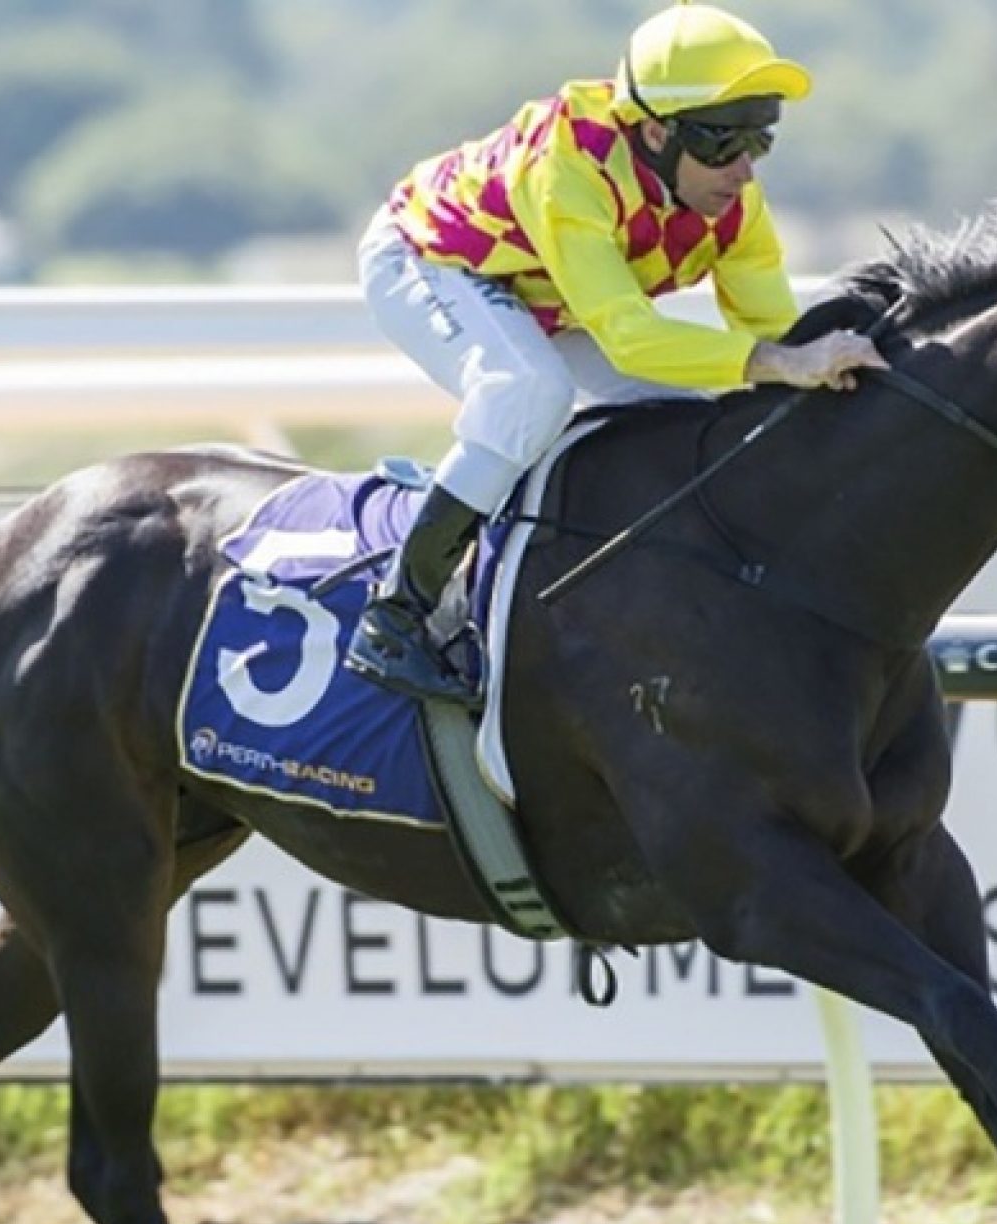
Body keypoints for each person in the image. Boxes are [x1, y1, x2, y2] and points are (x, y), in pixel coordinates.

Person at [344, 1, 888, 705]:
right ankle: (393, 616)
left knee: (680, 417)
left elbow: (778, 336)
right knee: (527, 393)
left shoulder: (735, 209)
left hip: (548, 292)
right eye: (723, 143)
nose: (744, 171)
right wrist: (780, 363)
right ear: (656, 131)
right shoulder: (569, 170)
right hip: (432, 259)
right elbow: (632, 335)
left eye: (761, 140)